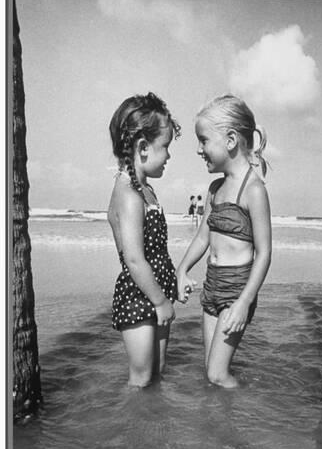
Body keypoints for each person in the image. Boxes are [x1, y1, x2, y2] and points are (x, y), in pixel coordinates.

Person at [176, 94, 272, 389]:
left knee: (217, 374)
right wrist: (182, 270)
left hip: (236, 289)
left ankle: (246, 414)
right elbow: (203, 236)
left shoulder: (252, 190)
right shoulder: (215, 189)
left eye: (204, 140)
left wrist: (244, 303)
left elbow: (265, 253)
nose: (199, 149)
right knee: (210, 371)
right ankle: (219, 425)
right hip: (212, 285)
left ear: (230, 140)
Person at [107, 92, 181, 387]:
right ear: (142, 147)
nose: (169, 155)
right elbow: (134, 259)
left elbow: (157, 250)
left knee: (158, 368)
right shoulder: (128, 195)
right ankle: (132, 428)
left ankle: (155, 428)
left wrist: (172, 284)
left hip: (158, 288)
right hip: (140, 295)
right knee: (140, 376)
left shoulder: (145, 189)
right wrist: (160, 301)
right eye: (165, 146)